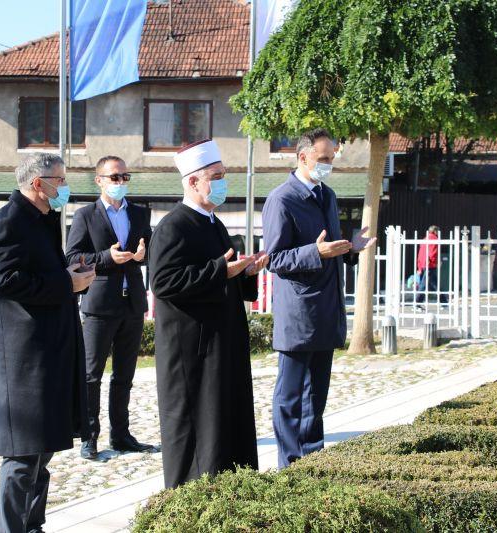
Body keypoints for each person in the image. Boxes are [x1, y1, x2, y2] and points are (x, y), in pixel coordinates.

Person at [148, 139, 269, 488]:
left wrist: (246, 273)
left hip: (223, 342)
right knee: (199, 437)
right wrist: (222, 270)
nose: (222, 182)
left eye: (223, 175)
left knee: (229, 428)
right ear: (193, 182)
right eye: (215, 176)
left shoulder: (214, 224)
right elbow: (165, 283)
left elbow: (224, 273)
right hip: (192, 352)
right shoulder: (173, 226)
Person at [0, 153, 95, 532]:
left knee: (43, 452)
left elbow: (39, 271)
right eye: (59, 179)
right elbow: (4, 281)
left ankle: (33, 525)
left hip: (50, 350)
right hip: (24, 358)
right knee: (23, 456)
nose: (65, 186)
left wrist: (69, 273)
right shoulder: (10, 220)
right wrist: (65, 284)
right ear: (37, 183)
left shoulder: (45, 218)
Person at [262, 128, 375, 469]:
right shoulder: (282, 199)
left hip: (326, 309)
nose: (328, 165)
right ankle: (289, 463)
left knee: (317, 397)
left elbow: (331, 249)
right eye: (323, 159)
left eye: (332, 158)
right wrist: (316, 251)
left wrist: (349, 249)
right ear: (303, 157)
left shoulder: (327, 195)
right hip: (298, 313)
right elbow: (276, 259)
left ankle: (312, 461)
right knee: (291, 398)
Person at [65, 156, 155, 461]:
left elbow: (150, 251)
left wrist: (143, 254)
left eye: (124, 177)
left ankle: (122, 434)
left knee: (124, 375)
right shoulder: (85, 215)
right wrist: (105, 258)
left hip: (132, 304)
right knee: (92, 375)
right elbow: (73, 257)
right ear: (99, 181)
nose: (120, 183)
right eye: (114, 177)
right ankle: (89, 436)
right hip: (99, 304)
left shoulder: (140, 213)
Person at [415, 225, 446, 307]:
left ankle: (444, 302)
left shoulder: (425, 239)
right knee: (424, 285)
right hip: (430, 264)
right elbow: (433, 253)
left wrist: (419, 266)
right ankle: (417, 303)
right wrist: (436, 262)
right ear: (435, 231)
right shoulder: (435, 239)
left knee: (433, 284)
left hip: (423, 264)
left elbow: (420, 254)